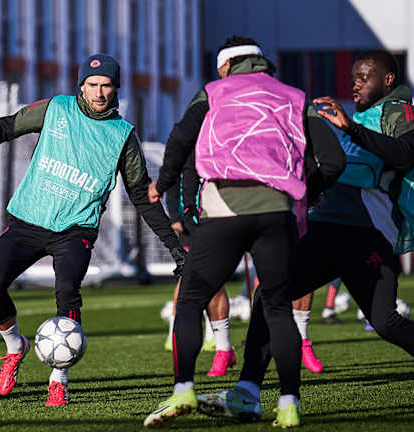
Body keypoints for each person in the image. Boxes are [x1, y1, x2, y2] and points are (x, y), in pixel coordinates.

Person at [198, 49, 414, 428]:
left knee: (386, 323)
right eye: (353, 77)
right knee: (268, 297)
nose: (356, 83)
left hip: (365, 237)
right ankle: (247, 393)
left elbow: (405, 154)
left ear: (388, 81)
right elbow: (336, 172)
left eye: (365, 77)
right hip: (326, 231)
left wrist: (349, 130)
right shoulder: (356, 119)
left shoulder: (402, 112)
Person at [0, 53, 185, 407]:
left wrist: (174, 247)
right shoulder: (56, 109)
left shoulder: (122, 136)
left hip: (75, 230)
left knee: (67, 291)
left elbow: (142, 197)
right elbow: (6, 127)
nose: (99, 92)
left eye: (106, 85)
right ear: (81, 86)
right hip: (28, 219)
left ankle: (59, 379)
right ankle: (14, 347)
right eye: (92, 85)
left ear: (116, 89)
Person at [143, 36, 345, 428]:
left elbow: (181, 138)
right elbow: (333, 160)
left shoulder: (214, 91)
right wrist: (312, 190)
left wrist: (163, 183)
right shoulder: (294, 96)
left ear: (225, 67)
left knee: (190, 300)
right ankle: (288, 405)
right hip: (278, 210)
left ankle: (183, 388)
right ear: (262, 64)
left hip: (225, 207)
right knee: (276, 307)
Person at [165, 181, 236, 377]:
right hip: (191, 222)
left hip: (220, 216)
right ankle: (178, 331)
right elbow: (171, 183)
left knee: (215, 278)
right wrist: (175, 215)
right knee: (189, 276)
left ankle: (221, 346)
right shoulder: (184, 153)